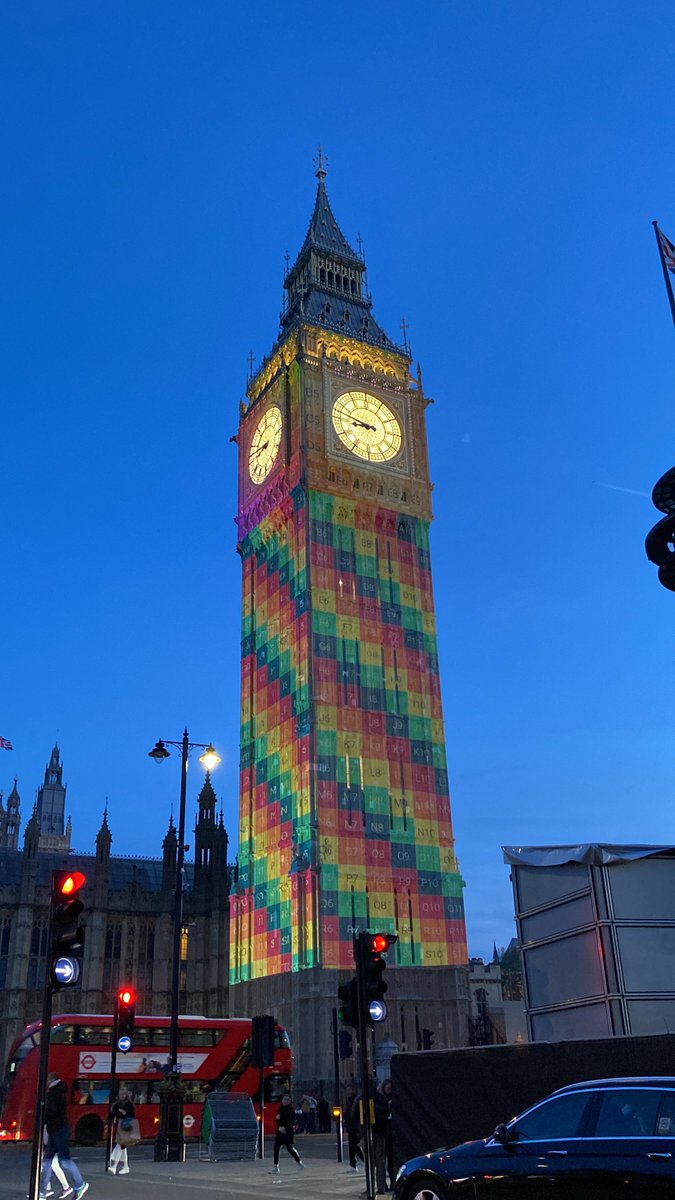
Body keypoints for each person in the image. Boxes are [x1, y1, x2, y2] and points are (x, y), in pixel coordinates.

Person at [39, 1072, 88, 1200]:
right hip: (57, 1129)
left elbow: (52, 1111)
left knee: (63, 1161)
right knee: (48, 1161)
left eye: (48, 1080)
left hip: (58, 1129)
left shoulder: (54, 1093)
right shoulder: (58, 1091)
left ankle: (80, 1184)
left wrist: (43, 1115)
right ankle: (42, 1192)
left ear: (51, 1080)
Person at [270, 1093, 304, 1175]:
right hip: (280, 1131)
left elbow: (291, 1122)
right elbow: (277, 1119)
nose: (285, 1101)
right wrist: (277, 1120)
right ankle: (276, 1167)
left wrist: (285, 1128)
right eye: (284, 1099)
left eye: (287, 1100)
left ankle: (300, 1163)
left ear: (290, 1101)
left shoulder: (290, 1110)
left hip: (288, 1132)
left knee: (290, 1148)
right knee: (276, 1148)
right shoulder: (280, 1109)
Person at [107, 1085, 135, 1175]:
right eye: (121, 1094)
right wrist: (109, 1120)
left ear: (126, 1095)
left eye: (124, 1094)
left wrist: (124, 1113)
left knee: (120, 1145)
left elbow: (132, 1115)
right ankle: (125, 1167)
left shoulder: (129, 1104)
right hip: (120, 1125)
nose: (122, 1095)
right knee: (123, 1147)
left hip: (126, 1125)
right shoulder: (117, 1104)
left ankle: (114, 1166)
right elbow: (112, 1114)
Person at [343, 1084, 364, 1173]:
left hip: (356, 1127)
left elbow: (354, 1114)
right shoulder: (349, 1101)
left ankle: (363, 1161)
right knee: (353, 1146)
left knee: (356, 1146)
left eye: (349, 1090)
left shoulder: (356, 1100)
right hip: (351, 1127)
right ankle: (353, 1164)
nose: (348, 1092)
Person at [381, 1078, 393, 1189]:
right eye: (387, 1088)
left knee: (391, 1159)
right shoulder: (382, 1100)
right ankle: (383, 1183)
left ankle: (393, 1182)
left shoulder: (394, 1099)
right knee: (382, 1159)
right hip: (384, 1132)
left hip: (391, 1132)